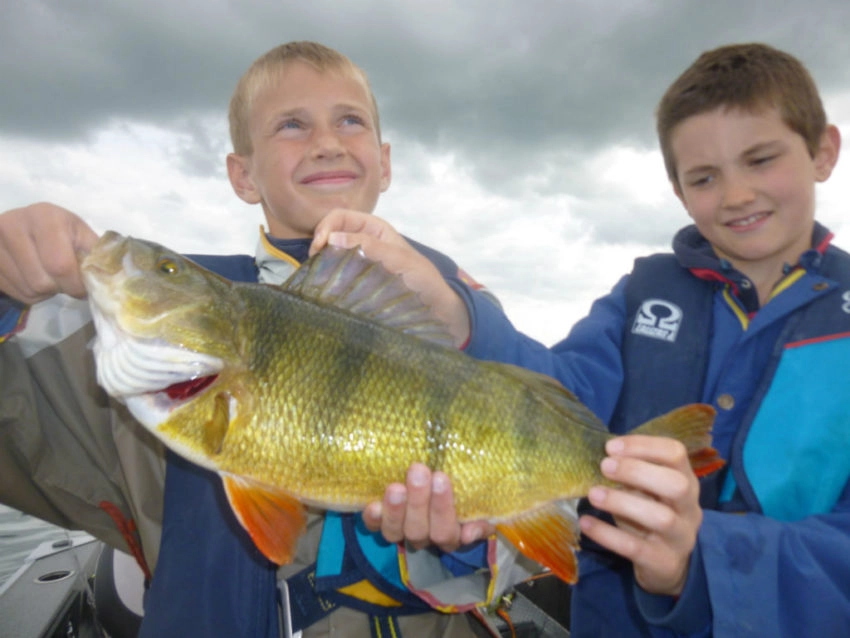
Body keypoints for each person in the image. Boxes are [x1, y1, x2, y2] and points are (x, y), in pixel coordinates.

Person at [311, 43, 850, 636]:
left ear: (824, 151)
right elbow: (552, 396)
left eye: (761, 159)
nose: (737, 194)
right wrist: (455, 314)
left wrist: (704, 559)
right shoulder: (641, 294)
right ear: (676, 188)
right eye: (705, 176)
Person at [0, 41, 512, 637]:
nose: (326, 141)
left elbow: (537, 520)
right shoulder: (149, 338)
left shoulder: (459, 315)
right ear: (242, 175)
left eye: (350, 119)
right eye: (291, 124)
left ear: (386, 160)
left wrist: (472, 541)